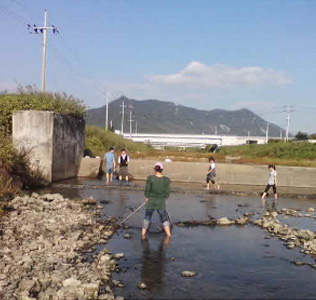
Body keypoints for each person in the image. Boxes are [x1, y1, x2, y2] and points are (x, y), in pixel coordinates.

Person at [141, 162, 172, 240]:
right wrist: (164, 197)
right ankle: (168, 235)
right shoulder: (166, 180)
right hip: (161, 201)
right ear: (162, 169)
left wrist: (147, 197)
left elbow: (147, 190)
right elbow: (167, 193)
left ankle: (143, 234)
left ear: (155, 169)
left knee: (147, 217)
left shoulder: (150, 178)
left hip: (151, 200)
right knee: (164, 218)